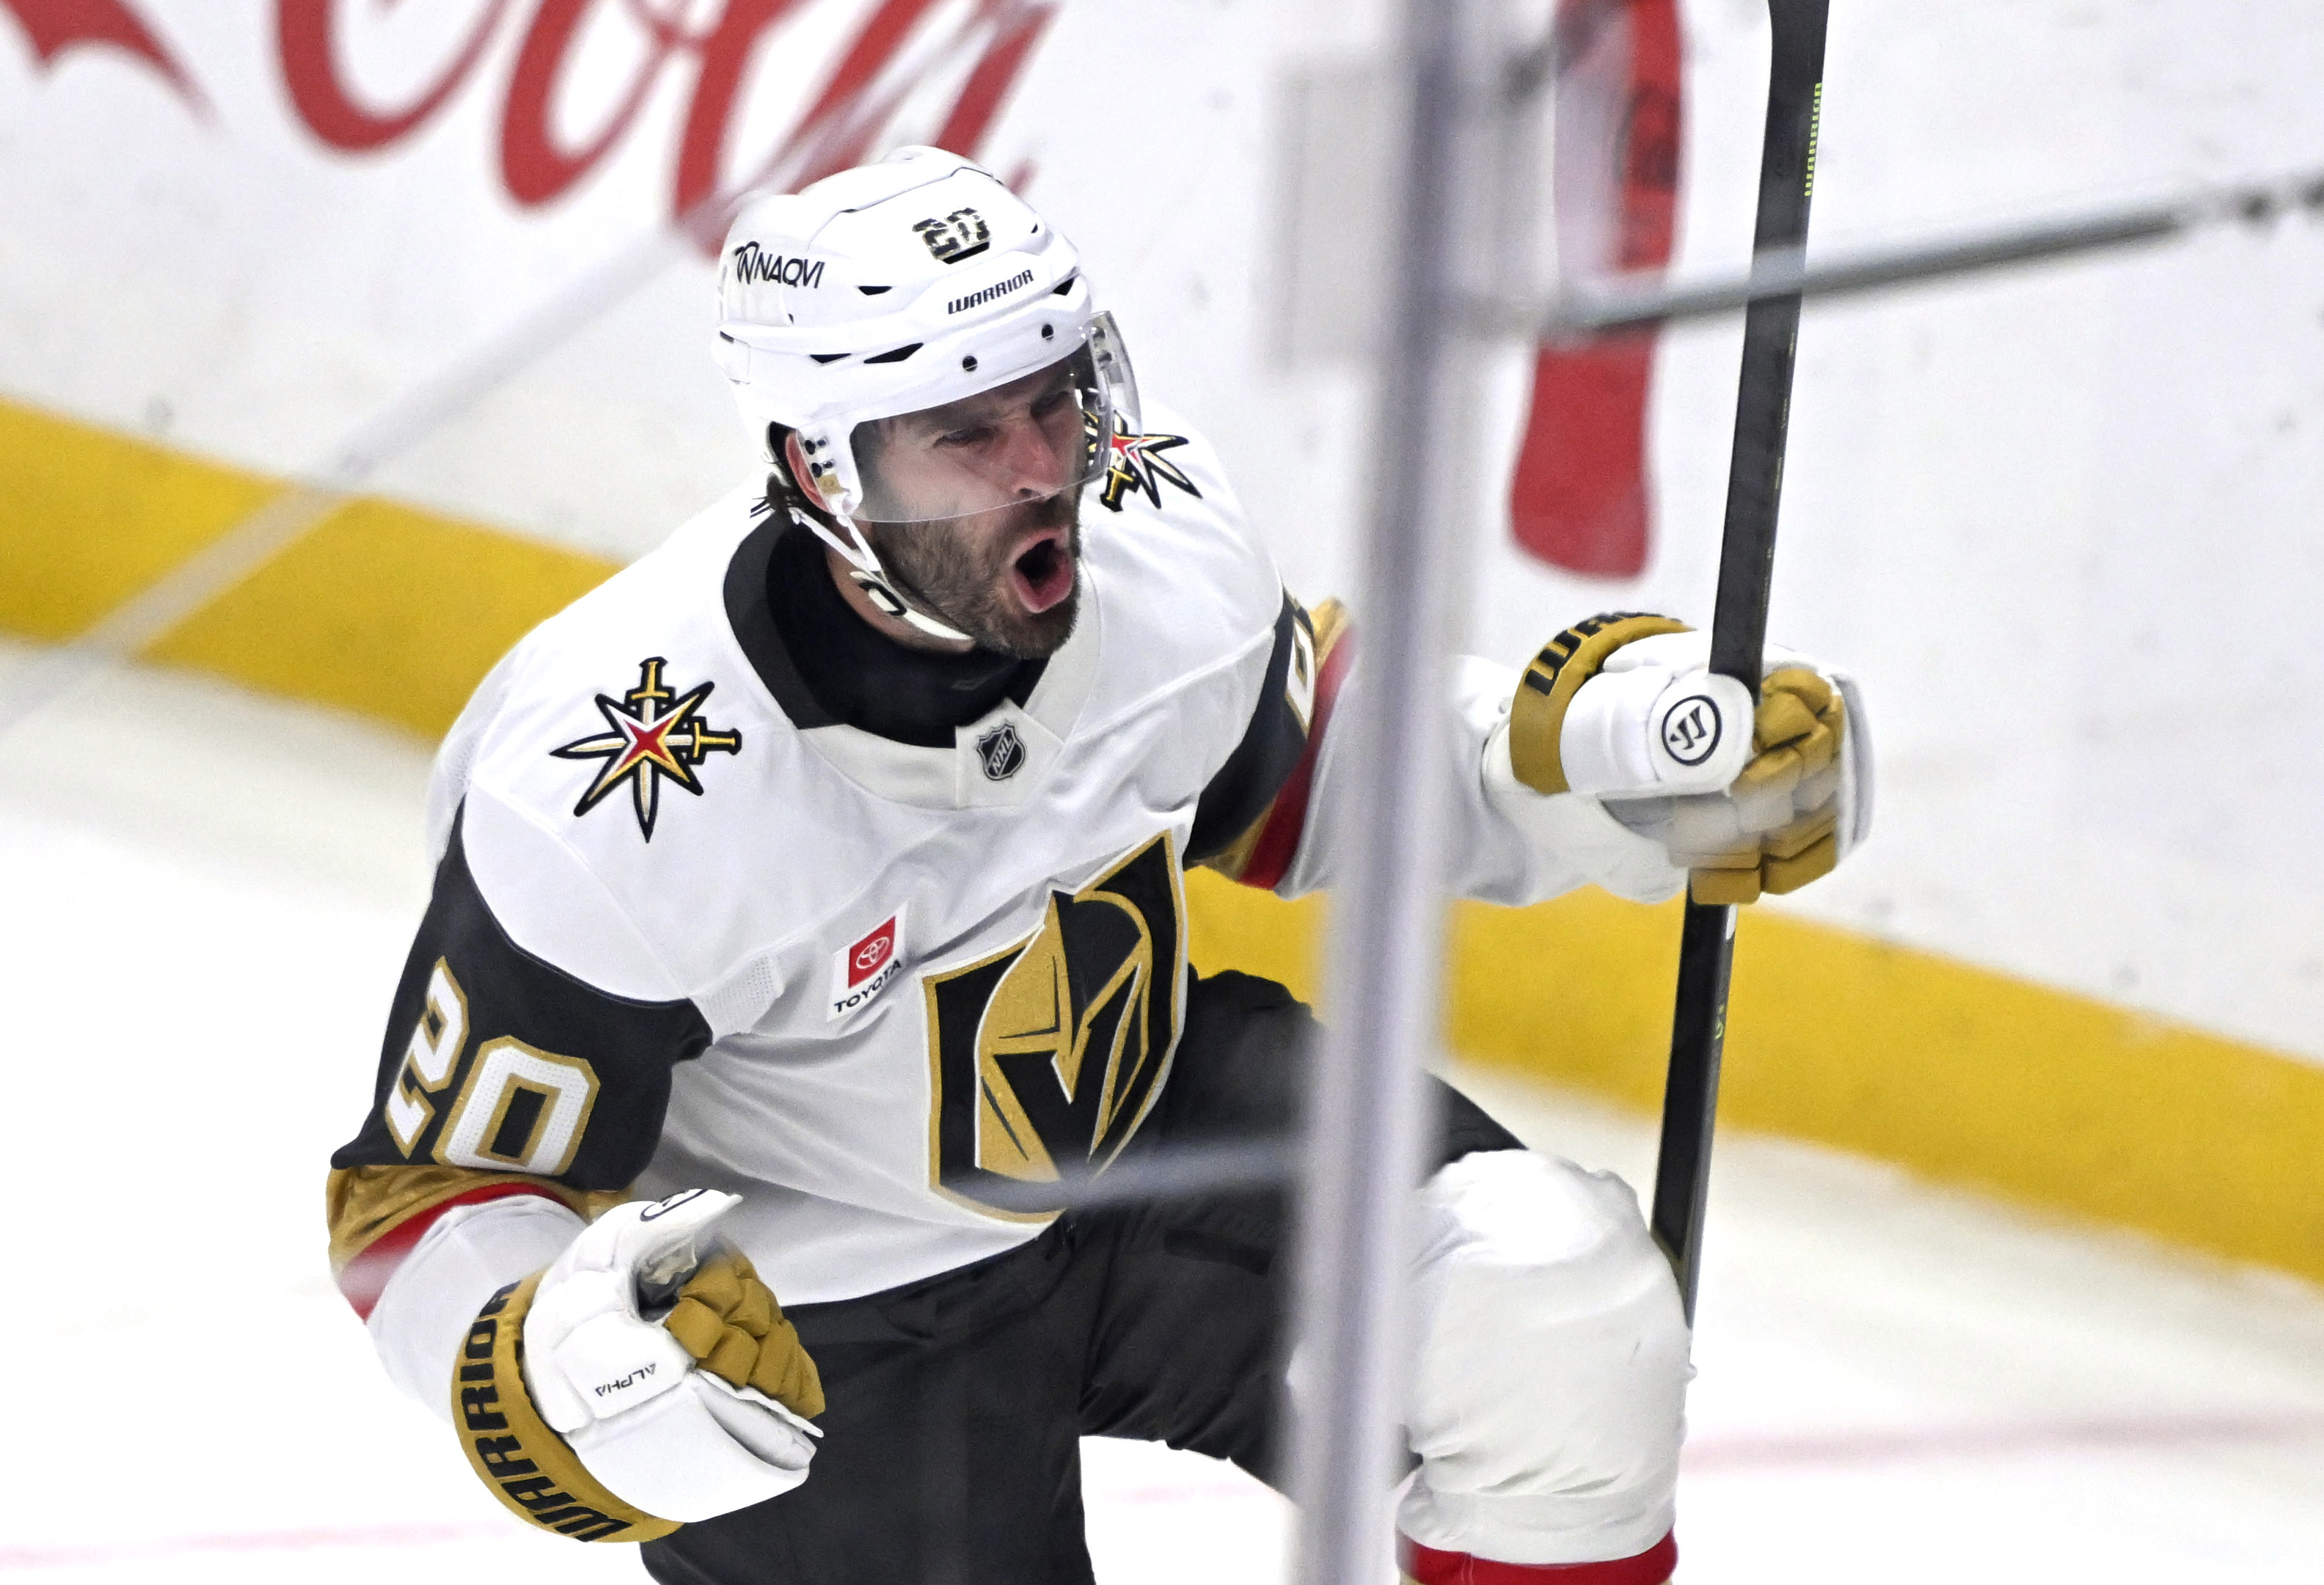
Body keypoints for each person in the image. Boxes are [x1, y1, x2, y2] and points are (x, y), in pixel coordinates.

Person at [326, 147, 1871, 1585]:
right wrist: (545, 1360)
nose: (1040, 469)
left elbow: (1298, 774)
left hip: (1156, 1140)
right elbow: (434, 1190)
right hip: (831, 1324)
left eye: (1052, 402)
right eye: (965, 435)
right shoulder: (617, 792)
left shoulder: (1150, 538)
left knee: (1553, 1309)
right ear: (820, 469)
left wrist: (1588, 770)